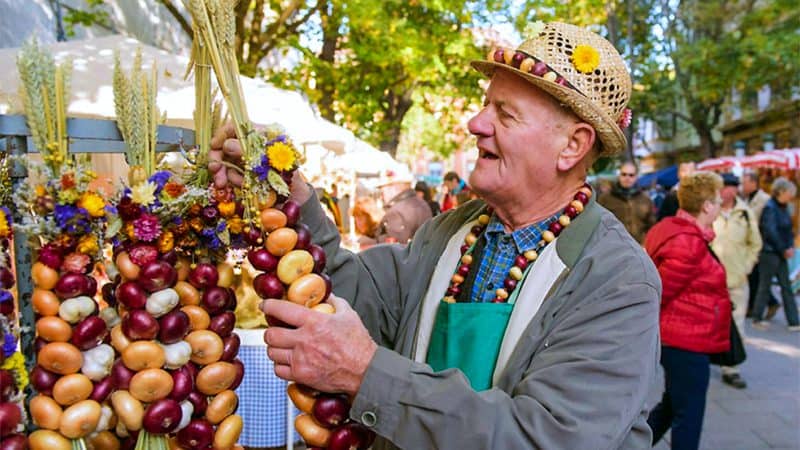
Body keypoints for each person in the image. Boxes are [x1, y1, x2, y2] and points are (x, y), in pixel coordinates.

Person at [212, 22, 660, 449]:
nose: (475, 124)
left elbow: (547, 438)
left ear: (572, 146)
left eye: (504, 113)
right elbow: (356, 296)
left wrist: (366, 373)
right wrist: (294, 198)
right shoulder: (450, 231)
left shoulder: (617, 279)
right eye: (487, 105)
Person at [644, 172, 731, 450]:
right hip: (685, 339)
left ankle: (627, 445)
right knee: (689, 415)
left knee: (672, 406)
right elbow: (659, 292)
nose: (720, 206)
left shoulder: (676, 230)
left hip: (682, 336)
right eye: (718, 200)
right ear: (706, 205)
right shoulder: (687, 242)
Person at [711, 173, 761, 389]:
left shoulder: (745, 212)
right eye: (725, 186)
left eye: (732, 186)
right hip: (711, 280)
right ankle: (706, 359)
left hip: (737, 279)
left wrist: (746, 267)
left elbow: (755, 244)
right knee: (709, 323)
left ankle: (731, 369)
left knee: (737, 324)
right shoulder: (710, 210)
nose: (728, 191)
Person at [751, 177, 799, 331]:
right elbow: (770, 232)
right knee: (765, 286)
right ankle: (757, 317)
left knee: (786, 286)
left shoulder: (783, 207)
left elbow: (788, 230)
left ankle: (794, 321)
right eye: (789, 193)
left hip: (780, 251)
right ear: (781, 191)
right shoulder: (771, 208)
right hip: (770, 253)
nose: (791, 196)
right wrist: (784, 248)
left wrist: (790, 246)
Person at [741, 171, 780, 318]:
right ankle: (762, 304)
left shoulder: (764, 199)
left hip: (760, 243)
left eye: (745, 183)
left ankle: (768, 303)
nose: (743, 186)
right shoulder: (746, 198)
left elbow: (765, 223)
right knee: (754, 276)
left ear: (753, 183)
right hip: (748, 242)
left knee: (757, 277)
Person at [598, 161, 656, 243]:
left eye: (631, 175)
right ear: (619, 176)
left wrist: (646, 243)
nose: (627, 178)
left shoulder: (645, 199)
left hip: (638, 247)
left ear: (636, 177)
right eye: (624, 174)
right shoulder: (605, 198)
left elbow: (652, 225)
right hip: (613, 247)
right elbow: (598, 225)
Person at [375, 176, 432, 244]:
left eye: (382, 192)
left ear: (393, 188)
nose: (382, 196)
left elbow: (392, 247)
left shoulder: (396, 212)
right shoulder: (422, 203)